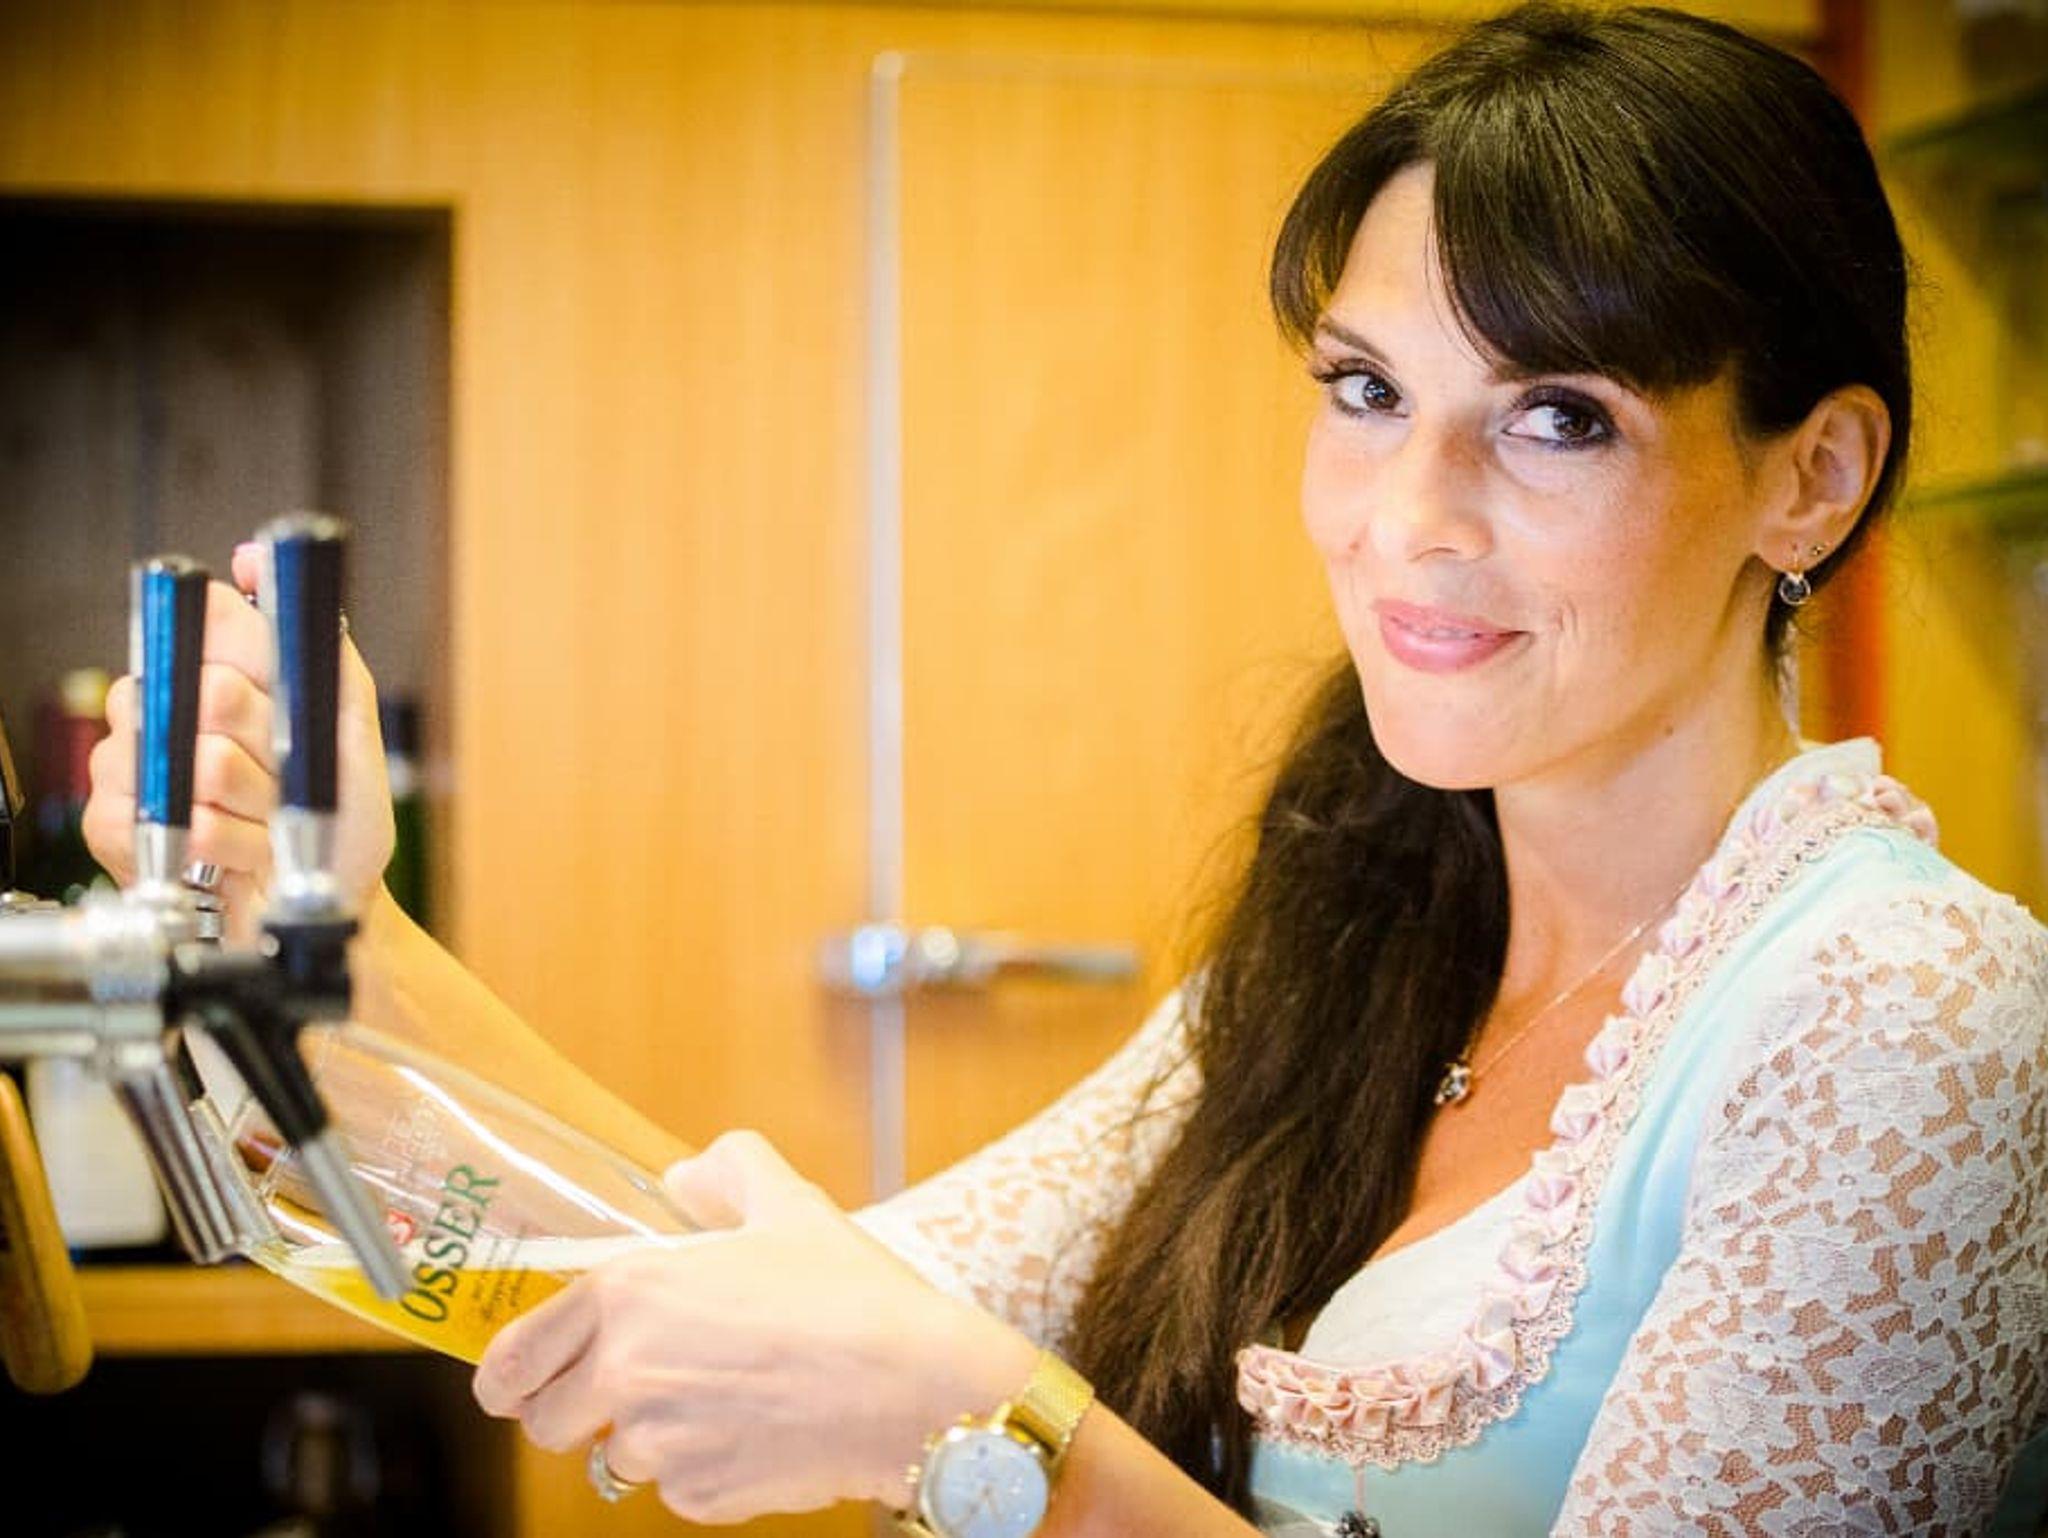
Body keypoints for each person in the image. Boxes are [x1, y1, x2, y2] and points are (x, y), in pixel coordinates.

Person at [82, 3, 2048, 1533]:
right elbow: (787, 1304)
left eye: (1555, 418)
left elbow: (918, 1376)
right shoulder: (1369, 935)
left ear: (1812, 476)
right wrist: (337, 930)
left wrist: (994, 1434)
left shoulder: (1906, 1013)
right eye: (1367, 391)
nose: (1406, 520)